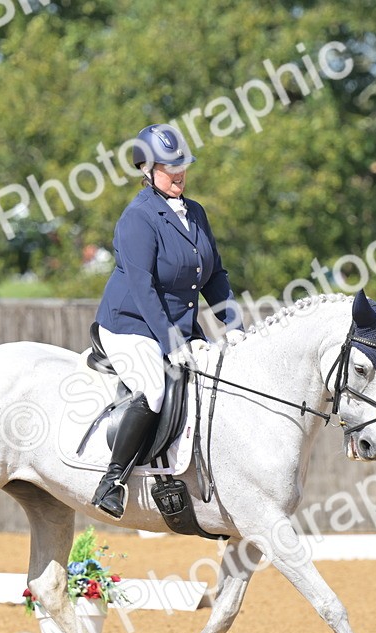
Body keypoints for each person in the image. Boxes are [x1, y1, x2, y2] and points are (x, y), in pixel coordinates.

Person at [91, 123, 242, 519]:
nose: (179, 174)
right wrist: (174, 344)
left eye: (182, 166)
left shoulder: (196, 213)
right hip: (131, 324)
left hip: (178, 324)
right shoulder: (138, 218)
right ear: (146, 169)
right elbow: (143, 288)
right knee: (155, 388)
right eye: (168, 167)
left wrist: (235, 327)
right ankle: (113, 481)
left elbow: (214, 276)